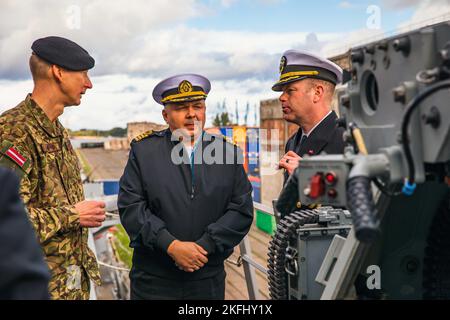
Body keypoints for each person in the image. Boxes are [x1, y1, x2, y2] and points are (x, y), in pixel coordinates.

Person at [118, 74, 254, 300]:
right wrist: (170, 245)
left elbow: (241, 209)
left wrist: (204, 246)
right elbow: (131, 206)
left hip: (207, 279)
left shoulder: (226, 153)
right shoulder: (144, 151)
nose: (192, 113)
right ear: (165, 115)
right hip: (153, 280)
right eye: (181, 107)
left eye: (198, 106)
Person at [0, 36, 106, 300]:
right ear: (59, 72)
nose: (89, 84)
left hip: (70, 285)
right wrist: (73, 215)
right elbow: (7, 223)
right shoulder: (13, 133)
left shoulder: (56, 130)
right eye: (83, 74)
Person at [273, 50, 346, 182]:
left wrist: (308, 176)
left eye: (290, 90)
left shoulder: (346, 140)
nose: (282, 97)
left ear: (317, 93)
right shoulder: (293, 142)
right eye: (283, 92)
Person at [0, 167, 50, 299]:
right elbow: (24, 218)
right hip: (53, 277)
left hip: (72, 276)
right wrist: (73, 214)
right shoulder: (16, 150)